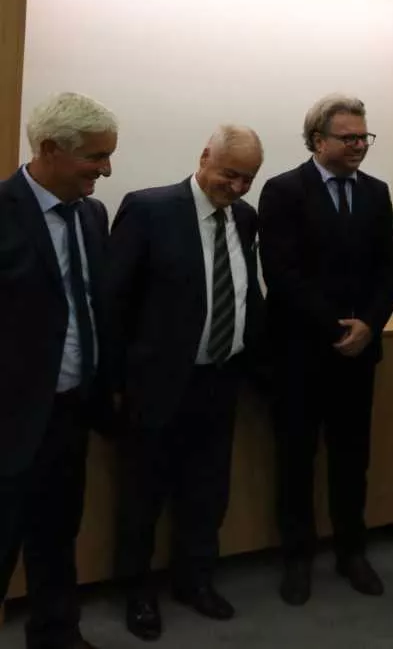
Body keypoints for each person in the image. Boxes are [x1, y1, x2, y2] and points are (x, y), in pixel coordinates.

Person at [103, 126, 265, 641]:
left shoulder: (245, 217)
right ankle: (137, 591)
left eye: (248, 178)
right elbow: (113, 302)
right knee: (143, 494)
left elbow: (243, 291)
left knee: (207, 491)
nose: (237, 187)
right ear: (204, 157)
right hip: (156, 384)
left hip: (220, 380)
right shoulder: (149, 209)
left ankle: (194, 580)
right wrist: (115, 383)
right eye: (229, 174)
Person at [259, 94, 393, 606]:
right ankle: (297, 558)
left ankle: (351, 552)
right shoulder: (283, 191)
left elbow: (390, 267)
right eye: (349, 137)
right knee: (296, 460)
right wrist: (336, 328)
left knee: (351, 459)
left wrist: (369, 325)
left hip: (357, 356)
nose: (359, 144)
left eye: (364, 136)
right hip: (299, 354)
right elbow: (281, 273)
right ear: (318, 140)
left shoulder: (376, 192)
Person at [0, 91, 116, 649]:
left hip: (70, 411)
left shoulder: (92, 214)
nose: (106, 170)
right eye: (95, 156)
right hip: (8, 420)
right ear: (49, 149)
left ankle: (56, 635)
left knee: (57, 534)